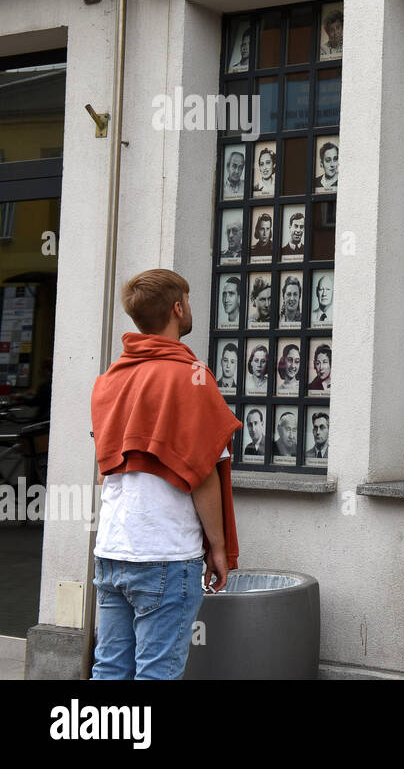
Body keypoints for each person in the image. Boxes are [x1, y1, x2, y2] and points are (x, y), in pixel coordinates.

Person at [89, 269, 239, 679]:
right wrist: (220, 550)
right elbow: (203, 474)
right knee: (157, 672)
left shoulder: (110, 380)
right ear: (177, 308)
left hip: (112, 549)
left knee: (109, 669)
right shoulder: (191, 379)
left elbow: (105, 469)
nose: (189, 308)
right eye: (187, 301)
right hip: (166, 553)